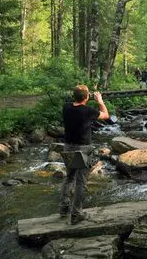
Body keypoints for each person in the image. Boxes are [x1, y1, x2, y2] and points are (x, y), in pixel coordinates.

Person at [60, 85, 110, 225]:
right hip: (83, 149)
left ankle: (63, 209)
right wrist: (100, 100)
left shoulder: (66, 107)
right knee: (81, 181)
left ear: (74, 96)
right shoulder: (88, 111)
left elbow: (77, 104)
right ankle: (76, 214)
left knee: (69, 178)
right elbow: (106, 115)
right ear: (87, 97)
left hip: (68, 147)